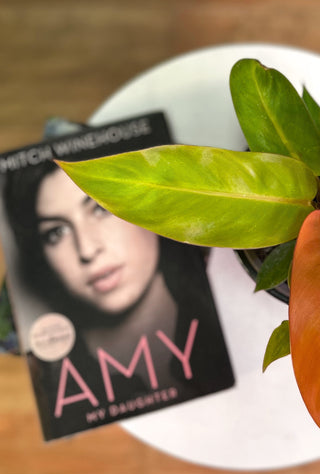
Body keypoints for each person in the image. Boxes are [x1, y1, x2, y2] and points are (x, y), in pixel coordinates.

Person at [1, 160, 234, 439]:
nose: (87, 249)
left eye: (102, 208)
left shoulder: (231, 309)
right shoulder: (65, 392)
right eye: (56, 232)